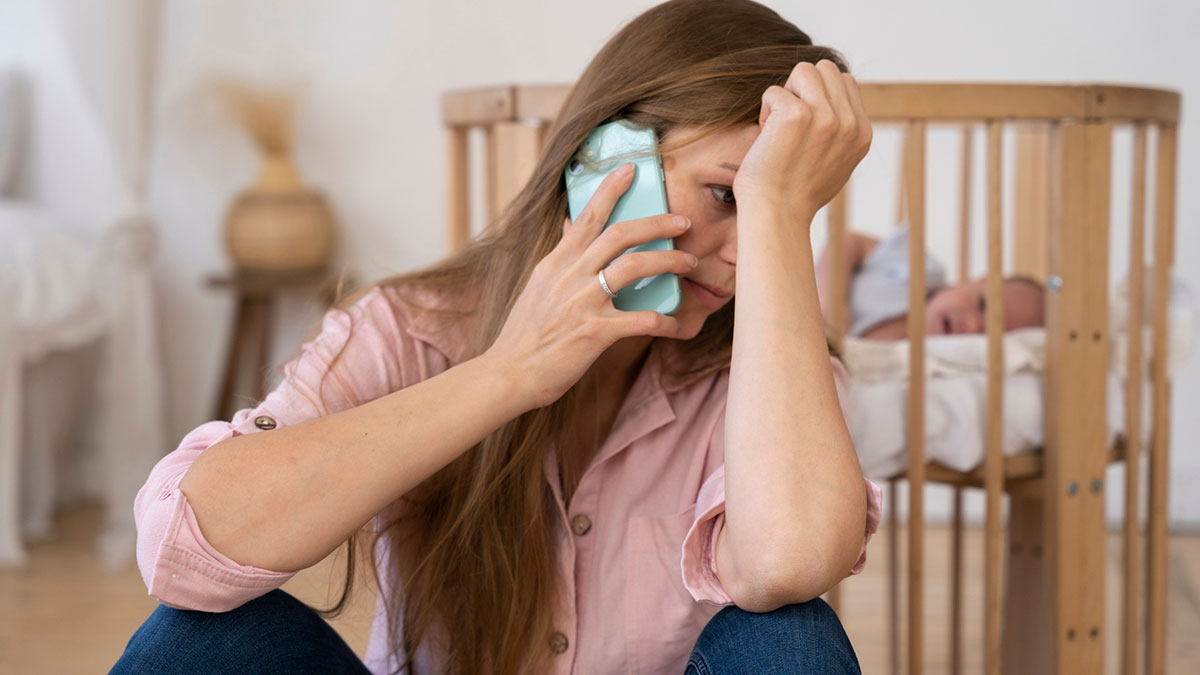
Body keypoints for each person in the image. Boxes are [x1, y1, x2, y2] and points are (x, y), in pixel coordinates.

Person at [111, 1, 882, 673]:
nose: (747, 256)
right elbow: (184, 546)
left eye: (776, 213)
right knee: (200, 639)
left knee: (793, 634)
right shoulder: (412, 327)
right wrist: (507, 374)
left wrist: (779, 210)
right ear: (604, 162)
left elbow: (790, 562)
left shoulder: (774, 380)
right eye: (725, 194)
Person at [817, 227, 1046, 340]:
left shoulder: (927, 368)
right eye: (984, 305)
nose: (974, 325)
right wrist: (831, 299)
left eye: (991, 335)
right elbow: (845, 241)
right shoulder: (923, 270)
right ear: (974, 281)